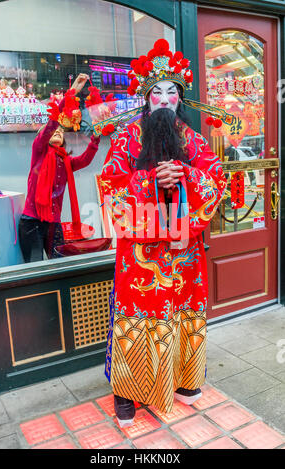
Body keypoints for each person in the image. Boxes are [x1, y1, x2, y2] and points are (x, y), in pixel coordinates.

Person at [100, 39, 227, 428]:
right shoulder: (126, 138)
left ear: (180, 98)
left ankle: (184, 381)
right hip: (140, 257)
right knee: (138, 318)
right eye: (157, 91)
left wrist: (185, 175)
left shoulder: (194, 140)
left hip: (184, 252)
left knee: (181, 314)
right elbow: (109, 187)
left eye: (173, 91)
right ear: (145, 98)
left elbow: (216, 179)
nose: (165, 98)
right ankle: (127, 393)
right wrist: (150, 181)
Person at [19, 74, 100, 263]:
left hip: (53, 223)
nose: (57, 131)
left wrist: (95, 139)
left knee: (60, 265)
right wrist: (72, 93)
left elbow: (86, 159)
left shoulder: (66, 161)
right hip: (32, 222)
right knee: (35, 268)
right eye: (54, 130)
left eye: (60, 132)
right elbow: (53, 123)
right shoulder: (39, 151)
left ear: (64, 139)